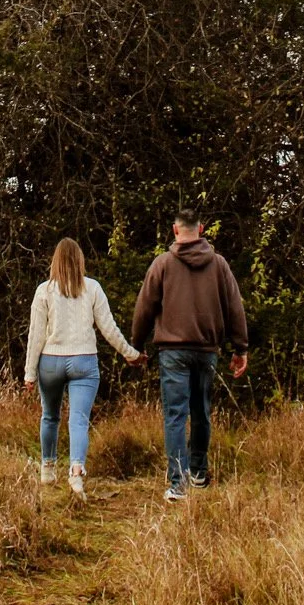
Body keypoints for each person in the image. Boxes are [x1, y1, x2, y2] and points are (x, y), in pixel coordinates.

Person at [130, 210, 249, 501]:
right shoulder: (219, 265)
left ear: (174, 230)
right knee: (201, 413)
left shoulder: (163, 264)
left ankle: (177, 483)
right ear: (202, 229)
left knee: (175, 415)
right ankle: (198, 473)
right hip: (207, 350)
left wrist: (136, 345)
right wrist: (240, 348)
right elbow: (235, 306)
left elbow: (144, 307)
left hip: (172, 351)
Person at [24, 237, 140, 498]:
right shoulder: (93, 288)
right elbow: (108, 328)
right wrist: (129, 353)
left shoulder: (44, 290)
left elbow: (36, 336)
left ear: (55, 262)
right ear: (80, 261)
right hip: (84, 362)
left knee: (49, 416)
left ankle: (48, 468)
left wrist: (30, 373)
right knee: (79, 421)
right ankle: (76, 474)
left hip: (50, 361)